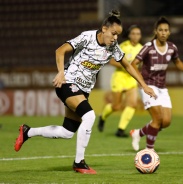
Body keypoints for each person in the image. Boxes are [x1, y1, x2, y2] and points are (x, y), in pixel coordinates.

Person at [14, 10, 156, 174]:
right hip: (67, 82)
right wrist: (61, 72)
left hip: (83, 90)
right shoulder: (87, 37)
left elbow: (129, 65)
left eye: (118, 35)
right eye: (113, 33)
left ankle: (27, 132)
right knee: (89, 115)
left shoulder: (113, 48)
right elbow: (60, 51)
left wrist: (144, 85)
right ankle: (79, 163)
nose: (116, 38)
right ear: (104, 29)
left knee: (67, 132)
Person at [130, 17, 183, 151]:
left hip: (162, 87)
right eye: (160, 30)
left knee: (166, 122)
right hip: (148, 86)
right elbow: (133, 64)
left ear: (169, 32)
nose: (163, 32)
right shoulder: (148, 47)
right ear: (155, 31)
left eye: (166, 30)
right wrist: (142, 84)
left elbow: (177, 61)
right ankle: (150, 151)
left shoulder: (172, 48)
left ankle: (138, 133)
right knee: (157, 119)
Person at [97, 25, 143, 137]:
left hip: (131, 79)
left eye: (138, 34)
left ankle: (120, 130)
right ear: (129, 35)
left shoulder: (142, 48)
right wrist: (126, 66)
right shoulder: (123, 46)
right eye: (133, 33)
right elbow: (112, 61)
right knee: (116, 106)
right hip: (119, 78)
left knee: (132, 104)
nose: (136, 36)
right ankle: (103, 116)